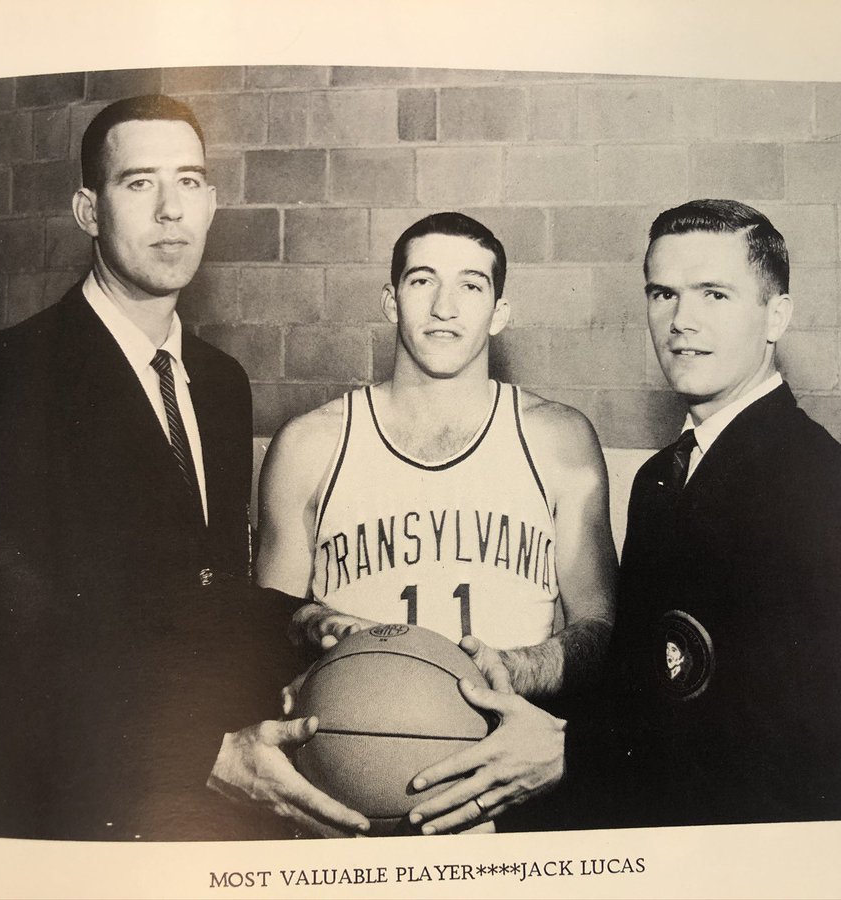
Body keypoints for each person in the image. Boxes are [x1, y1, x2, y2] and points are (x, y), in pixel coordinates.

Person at [409, 198, 841, 832]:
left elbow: (804, 766)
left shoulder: (832, 490)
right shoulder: (661, 478)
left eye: (714, 295)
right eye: (663, 294)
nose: (681, 321)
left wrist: (570, 754)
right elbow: (645, 691)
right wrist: (524, 676)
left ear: (777, 315)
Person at [0, 94, 331, 841]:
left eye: (188, 182)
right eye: (138, 183)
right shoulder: (7, 376)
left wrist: (300, 618)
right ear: (88, 210)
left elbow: (197, 584)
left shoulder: (221, 383)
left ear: (213, 203)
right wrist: (200, 754)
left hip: (201, 810)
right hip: (78, 804)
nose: (168, 212)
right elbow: (5, 639)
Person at [250, 211, 618, 832]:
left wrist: (518, 667)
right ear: (391, 301)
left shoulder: (559, 440)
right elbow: (261, 630)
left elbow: (602, 628)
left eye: (472, 285)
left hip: (506, 790)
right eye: (423, 282)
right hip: (351, 791)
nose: (445, 306)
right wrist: (312, 621)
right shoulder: (311, 445)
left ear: (500, 311)